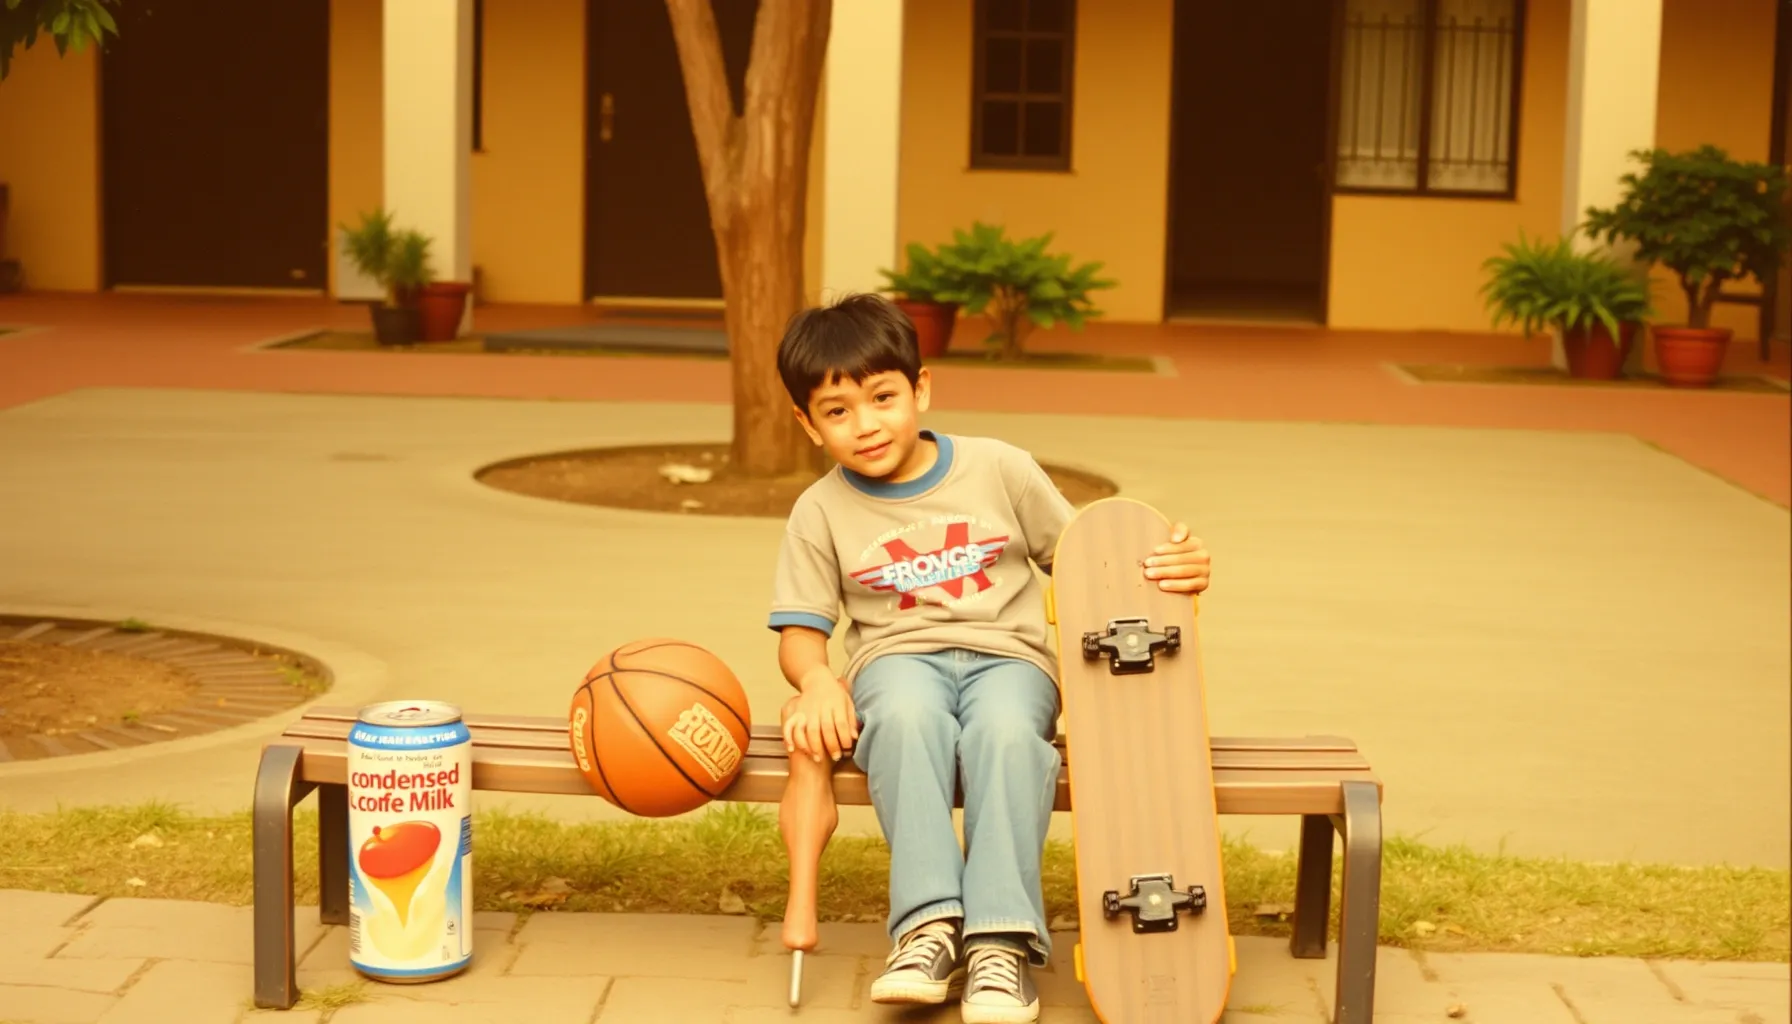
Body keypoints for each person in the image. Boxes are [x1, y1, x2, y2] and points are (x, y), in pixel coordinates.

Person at [766, 294, 1212, 1023]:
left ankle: (1000, 941)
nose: (865, 424)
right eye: (837, 411)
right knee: (905, 720)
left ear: (921, 388)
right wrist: (816, 680)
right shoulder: (820, 509)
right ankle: (927, 929)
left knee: (1005, 735)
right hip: (895, 662)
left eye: (882, 398)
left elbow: (1088, 564)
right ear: (808, 424)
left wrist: (1174, 568)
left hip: (1010, 660)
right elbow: (800, 629)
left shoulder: (999, 469)